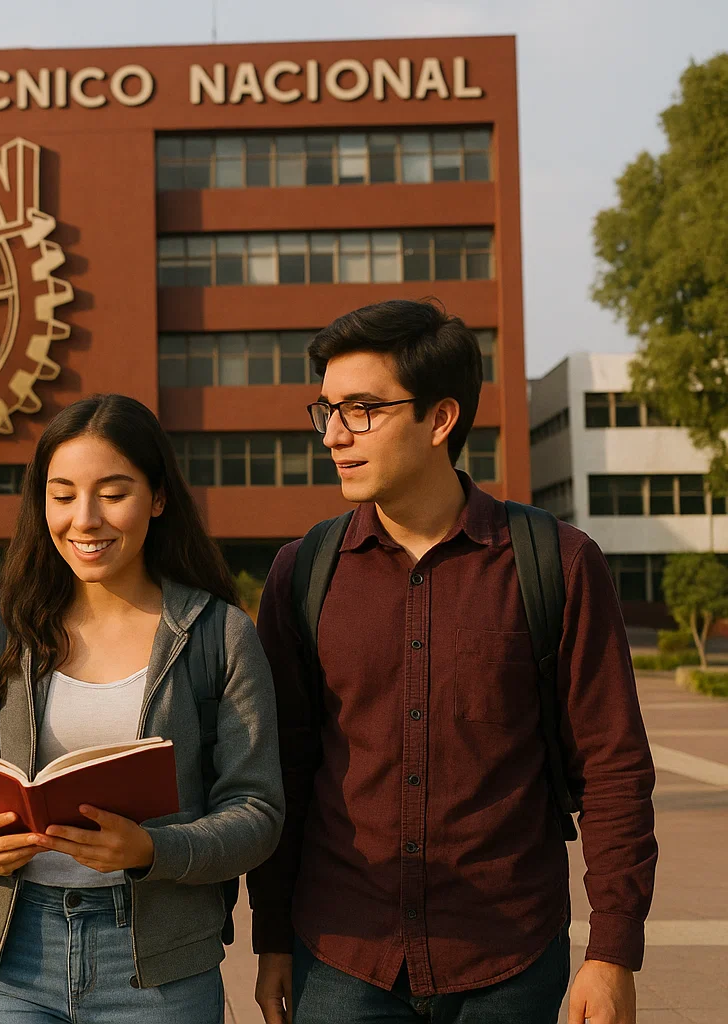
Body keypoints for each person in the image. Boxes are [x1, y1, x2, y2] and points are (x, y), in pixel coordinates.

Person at [247, 300, 657, 1024]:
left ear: (440, 420)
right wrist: (272, 935)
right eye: (327, 410)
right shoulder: (304, 572)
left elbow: (613, 766)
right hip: (342, 955)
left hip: (509, 958)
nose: (334, 435)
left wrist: (613, 952)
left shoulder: (555, 563)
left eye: (362, 409)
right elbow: (285, 767)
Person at [0, 393, 285, 1023]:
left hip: (158, 968)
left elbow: (257, 811)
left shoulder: (218, 635)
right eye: (62, 495)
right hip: (5, 961)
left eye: (113, 493)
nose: (84, 519)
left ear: (159, 498)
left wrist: (152, 849)